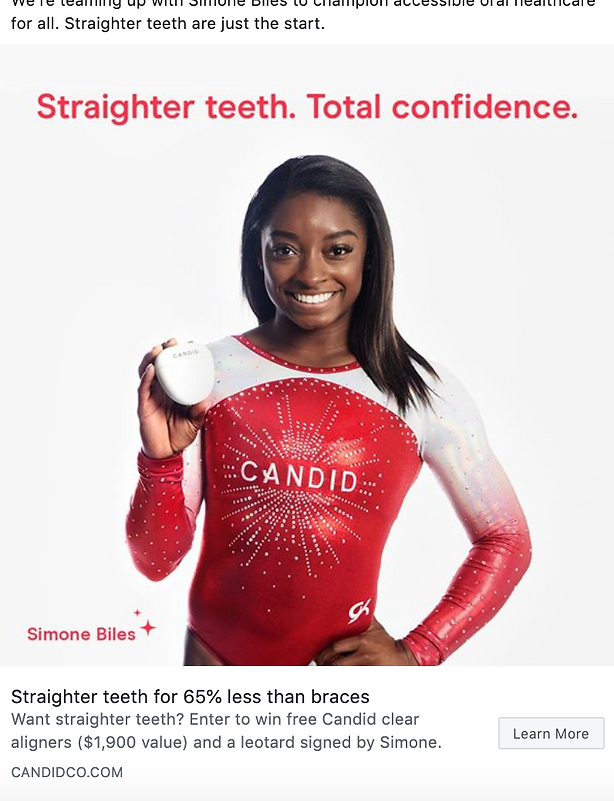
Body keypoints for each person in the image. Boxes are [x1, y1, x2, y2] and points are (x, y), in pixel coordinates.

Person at [127, 155, 531, 666]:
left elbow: (507, 539)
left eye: (337, 249)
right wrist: (159, 461)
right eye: (285, 250)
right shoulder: (209, 373)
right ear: (258, 253)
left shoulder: (423, 393)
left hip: (343, 697)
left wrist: (420, 651)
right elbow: (156, 562)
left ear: (370, 257)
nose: (311, 273)